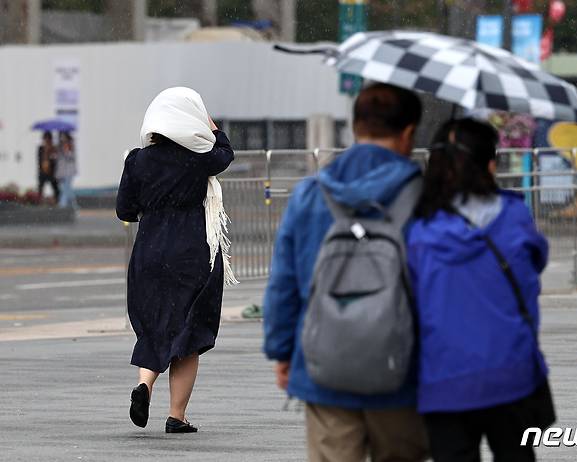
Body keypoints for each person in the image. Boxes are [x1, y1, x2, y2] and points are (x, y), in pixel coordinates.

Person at [263, 83, 429, 462]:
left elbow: (284, 282)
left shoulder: (311, 193)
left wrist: (282, 350)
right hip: (402, 368)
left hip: (324, 366)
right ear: (408, 133)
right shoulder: (426, 195)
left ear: (355, 127)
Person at [407, 118, 550, 462]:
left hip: (443, 376)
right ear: (489, 164)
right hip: (510, 370)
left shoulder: (419, 228)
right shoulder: (514, 216)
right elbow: (536, 261)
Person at [116, 87, 236, 433]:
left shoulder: (137, 160)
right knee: (189, 332)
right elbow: (226, 154)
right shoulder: (198, 158)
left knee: (156, 326)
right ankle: (176, 415)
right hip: (191, 251)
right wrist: (212, 127)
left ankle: (144, 385)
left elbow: (125, 209)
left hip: (149, 252)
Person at [56, 131, 78, 209]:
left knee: (66, 188)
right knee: (65, 189)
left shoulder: (70, 145)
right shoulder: (60, 145)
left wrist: (67, 150)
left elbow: (70, 157)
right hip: (62, 172)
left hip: (69, 171)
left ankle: (63, 205)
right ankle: (73, 205)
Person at [37, 131, 60, 203]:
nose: (46, 141)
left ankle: (57, 201)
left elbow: (55, 160)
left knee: (55, 188)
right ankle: (39, 201)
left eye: (48, 139)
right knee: (40, 188)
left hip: (51, 172)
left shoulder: (54, 148)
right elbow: (39, 160)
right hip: (43, 172)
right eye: (45, 139)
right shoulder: (41, 148)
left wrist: (51, 152)